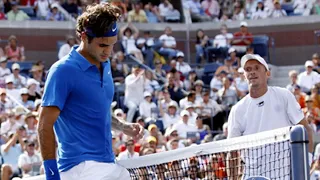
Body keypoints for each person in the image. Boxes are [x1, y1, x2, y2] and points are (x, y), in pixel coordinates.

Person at [38, 3, 144, 180]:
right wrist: (51, 175)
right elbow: (44, 124)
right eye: (103, 45)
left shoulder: (106, 64)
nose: (109, 52)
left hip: (106, 164)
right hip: (80, 168)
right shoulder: (62, 71)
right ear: (84, 37)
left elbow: (96, 110)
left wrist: (123, 127)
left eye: (112, 45)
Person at [227, 54, 314, 179]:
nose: (252, 72)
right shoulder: (237, 110)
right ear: (244, 75)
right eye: (248, 69)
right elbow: (232, 152)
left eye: (257, 68)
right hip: (252, 176)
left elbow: (306, 129)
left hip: (283, 175)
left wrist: (307, 162)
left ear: (267, 73)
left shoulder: (284, 95)